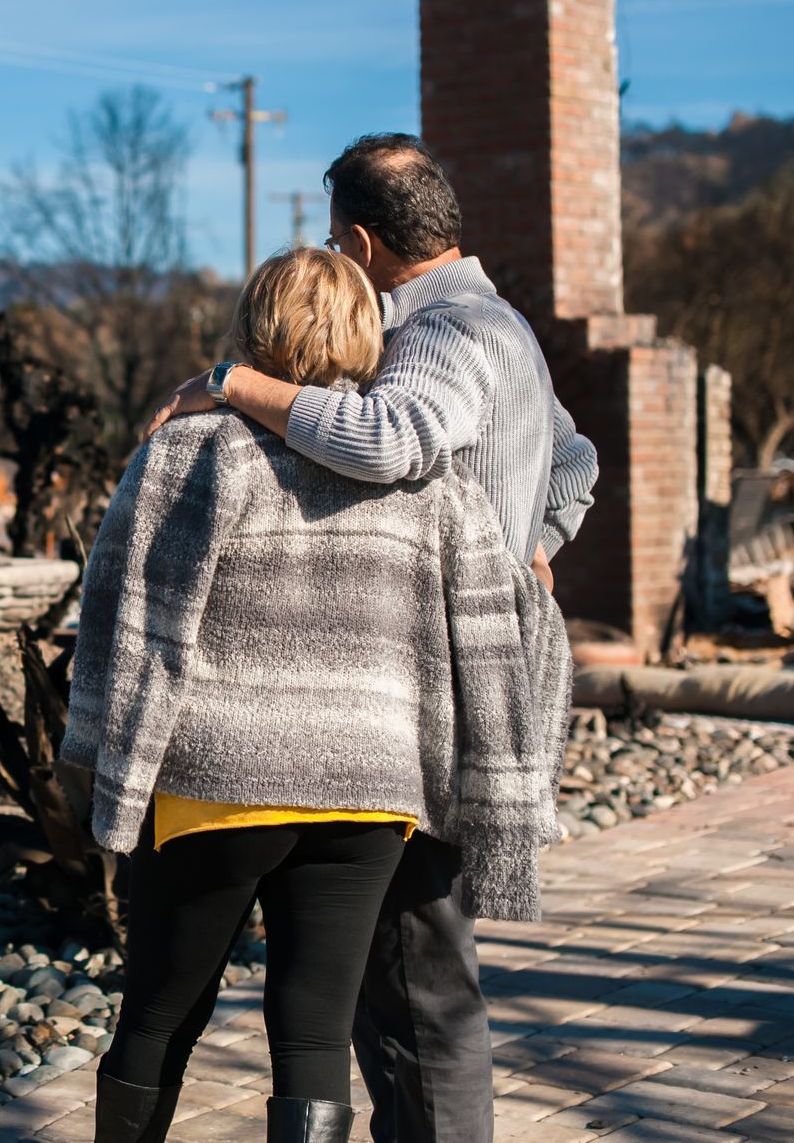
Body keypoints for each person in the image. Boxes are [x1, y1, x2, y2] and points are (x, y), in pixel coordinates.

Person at [144, 134, 600, 1143]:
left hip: (433, 678)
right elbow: (575, 458)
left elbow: (388, 442)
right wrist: (532, 544)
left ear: (357, 239)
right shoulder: (502, 325)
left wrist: (234, 384)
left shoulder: (439, 336)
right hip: (456, 664)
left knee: (412, 974)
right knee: (408, 968)